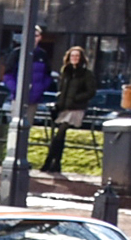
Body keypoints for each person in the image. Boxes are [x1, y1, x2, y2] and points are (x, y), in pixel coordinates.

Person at [41, 44, 96, 173]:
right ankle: (56, 164)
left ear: (81, 58)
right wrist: (59, 103)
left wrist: (76, 98)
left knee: (60, 133)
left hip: (76, 108)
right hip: (65, 108)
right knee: (59, 136)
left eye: (77, 56)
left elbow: (91, 91)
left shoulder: (87, 74)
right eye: (72, 56)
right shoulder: (66, 72)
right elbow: (62, 90)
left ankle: (49, 162)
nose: (75, 58)